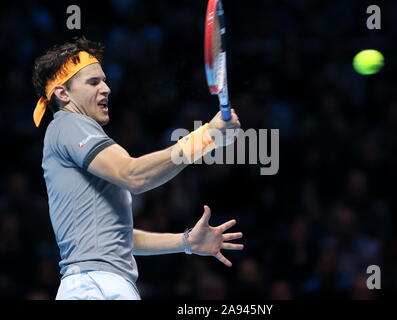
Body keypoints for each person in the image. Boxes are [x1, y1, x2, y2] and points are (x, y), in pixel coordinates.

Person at [32, 36, 243, 300]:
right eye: (93, 82)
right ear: (63, 93)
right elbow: (134, 175)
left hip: (100, 284)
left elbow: (119, 238)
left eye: (105, 80)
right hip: (95, 286)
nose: (106, 88)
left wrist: (186, 242)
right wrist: (205, 136)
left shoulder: (76, 139)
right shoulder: (68, 124)